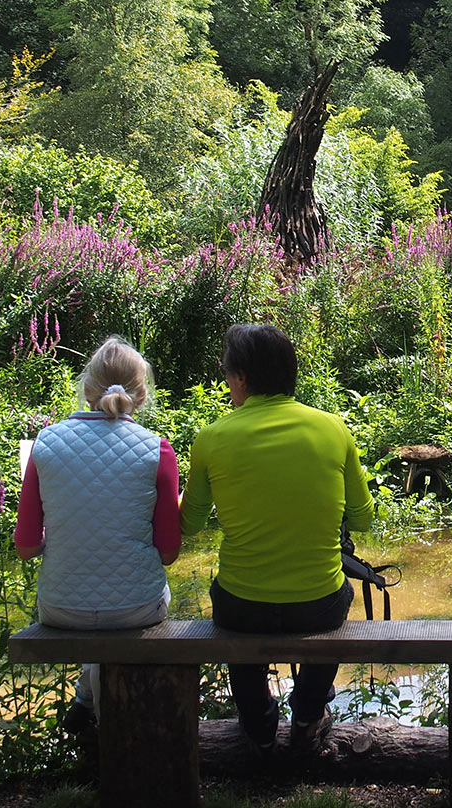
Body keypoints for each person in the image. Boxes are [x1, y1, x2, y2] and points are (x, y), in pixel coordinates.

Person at [181, 323, 375, 757]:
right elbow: (362, 519)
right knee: (337, 597)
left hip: (242, 606)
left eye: (227, 373)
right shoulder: (332, 430)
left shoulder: (211, 438)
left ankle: (258, 722)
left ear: (243, 379)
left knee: (229, 602)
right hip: (317, 603)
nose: (227, 381)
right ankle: (307, 716)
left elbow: (189, 525)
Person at [14, 336, 181, 728]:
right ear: (140, 395)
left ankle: (87, 697)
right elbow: (169, 553)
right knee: (128, 600)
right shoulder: (158, 450)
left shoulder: (46, 443)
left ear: (87, 389)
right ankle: (102, 707)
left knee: (96, 597)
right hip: (137, 607)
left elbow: (24, 546)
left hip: (60, 607)